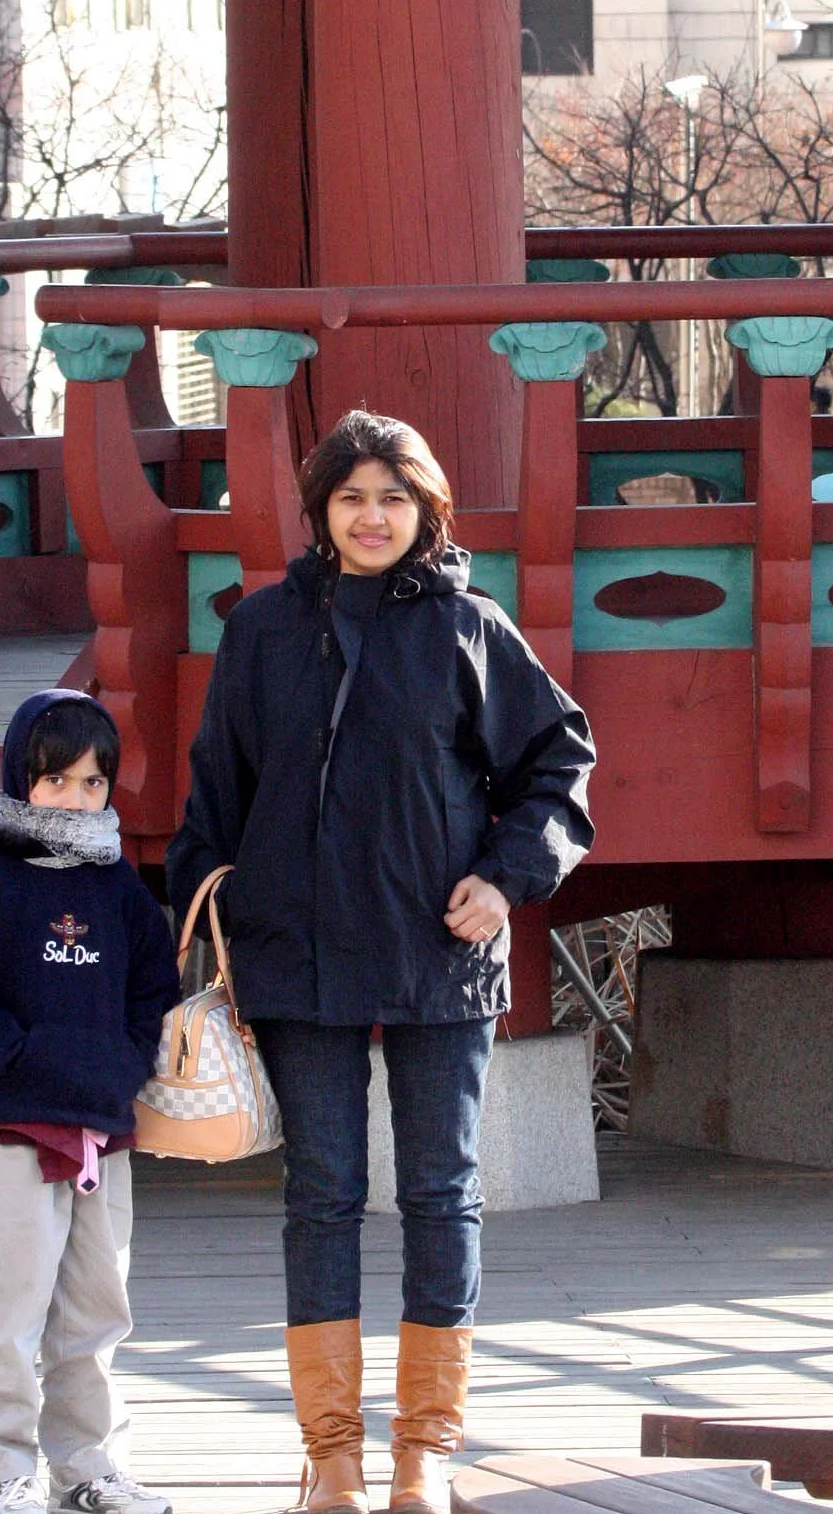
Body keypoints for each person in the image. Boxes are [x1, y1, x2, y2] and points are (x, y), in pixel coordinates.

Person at [168, 409, 596, 1514]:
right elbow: (213, 794)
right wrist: (218, 899)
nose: (371, 518)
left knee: (441, 1191)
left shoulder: (469, 626)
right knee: (317, 1195)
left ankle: (423, 1452)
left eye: (392, 498)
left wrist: (504, 876)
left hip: (435, 947)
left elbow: (558, 765)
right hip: (293, 951)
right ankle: (331, 1456)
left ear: (427, 509)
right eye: (351, 498)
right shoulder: (260, 629)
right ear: (319, 512)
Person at [0, 689, 180, 1514]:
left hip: (101, 1126)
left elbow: (152, 983)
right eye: (55, 779)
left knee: (98, 1311)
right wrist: (18, 1057)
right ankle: (2, 1474)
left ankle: (90, 1466)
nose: (75, 797)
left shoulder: (117, 883)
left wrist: (123, 1062)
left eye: (93, 782)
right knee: (9, 1311)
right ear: (20, 776)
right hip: (11, 1130)